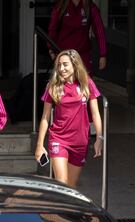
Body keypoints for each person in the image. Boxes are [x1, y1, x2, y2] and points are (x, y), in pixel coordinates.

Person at [35, 49, 103, 188]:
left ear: (75, 64)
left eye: (65, 64)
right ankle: (55, 209)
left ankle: (59, 209)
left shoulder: (86, 83)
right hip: (58, 139)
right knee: (61, 183)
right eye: (59, 65)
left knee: (71, 188)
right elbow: (45, 117)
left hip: (80, 141)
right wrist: (39, 145)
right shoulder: (53, 85)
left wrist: (99, 138)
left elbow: (95, 113)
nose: (61, 68)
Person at [48, 0, 107, 76]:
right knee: (64, 86)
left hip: (83, 55)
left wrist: (103, 54)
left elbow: (99, 31)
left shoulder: (90, 7)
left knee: (84, 85)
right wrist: (51, 50)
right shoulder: (61, 6)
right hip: (64, 54)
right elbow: (52, 29)